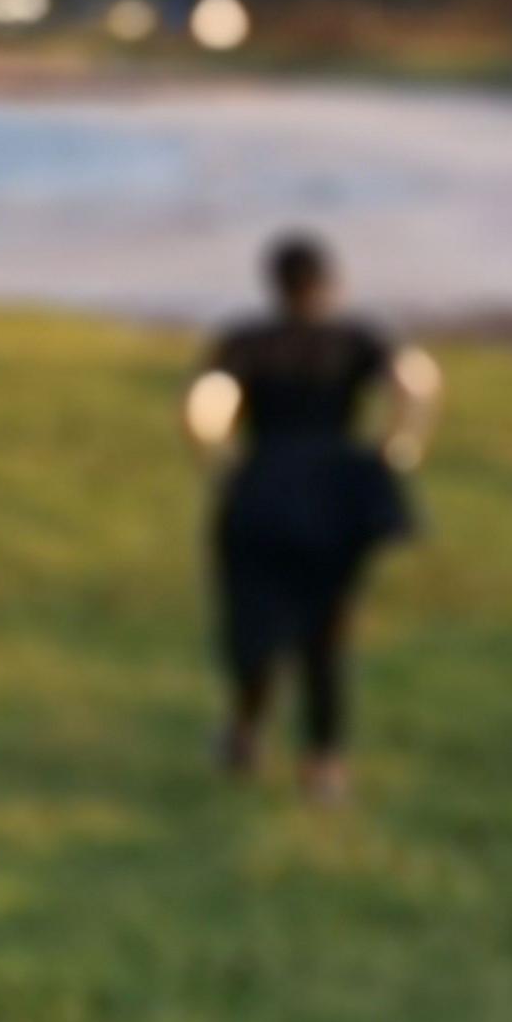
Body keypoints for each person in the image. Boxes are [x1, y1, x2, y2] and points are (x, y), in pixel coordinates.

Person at [183, 232, 438, 805]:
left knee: (251, 621)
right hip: (336, 495)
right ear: (329, 282)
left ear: (272, 282)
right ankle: (324, 763)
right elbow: (414, 381)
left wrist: (217, 461)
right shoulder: (356, 338)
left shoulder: (245, 341)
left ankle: (246, 730)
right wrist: (400, 446)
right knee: (327, 630)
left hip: (262, 488)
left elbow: (205, 404)